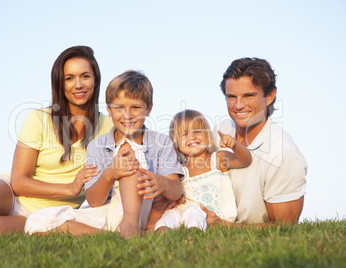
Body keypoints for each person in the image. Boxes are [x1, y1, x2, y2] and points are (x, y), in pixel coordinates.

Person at [0, 46, 113, 243]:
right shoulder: (38, 118)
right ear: (60, 83)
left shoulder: (110, 127)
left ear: (95, 80)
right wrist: (71, 188)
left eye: (85, 76)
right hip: (11, 193)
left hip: (42, 217)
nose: (78, 85)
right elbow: (19, 181)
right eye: (69, 78)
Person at [24, 70, 184, 238]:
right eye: (119, 108)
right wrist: (109, 174)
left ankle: (130, 225)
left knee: (129, 163)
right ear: (108, 109)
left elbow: (176, 190)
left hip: (145, 210)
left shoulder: (162, 142)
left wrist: (163, 183)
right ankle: (112, 235)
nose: (127, 115)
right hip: (108, 212)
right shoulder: (97, 146)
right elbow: (94, 201)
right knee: (36, 222)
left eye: (136, 107)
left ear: (148, 109)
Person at [201, 57, 307, 227]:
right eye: (231, 96)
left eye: (248, 96)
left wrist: (224, 226)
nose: (238, 105)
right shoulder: (222, 129)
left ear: (270, 96)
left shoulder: (283, 154)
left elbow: (285, 229)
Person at [154, 110, 251, 232]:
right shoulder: (180, 170)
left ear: (207, 134)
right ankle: (163, 231)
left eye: (197, 131)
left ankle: (195, 232)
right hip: (183, 214)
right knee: (170, 215)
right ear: (176, 143)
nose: (192, 137)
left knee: (193, 210)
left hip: (212, 217)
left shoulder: (218, 159)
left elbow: (245, 160)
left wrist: (235, 145)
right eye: (184, 134)